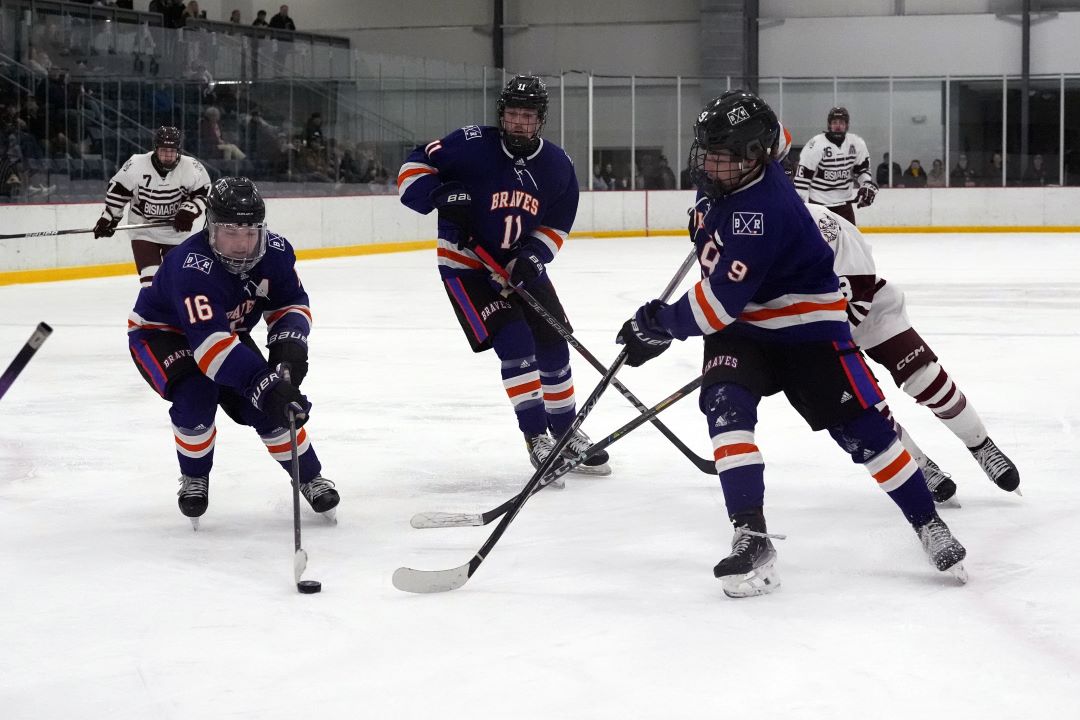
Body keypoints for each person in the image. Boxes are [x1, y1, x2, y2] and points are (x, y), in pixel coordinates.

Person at [616, 90, 967, 598]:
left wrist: (660, 321)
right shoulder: (740, 169)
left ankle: (927, 521)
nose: (709, 163)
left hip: (806, 328)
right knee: (725, 406)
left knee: (864, 432)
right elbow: (775, 136)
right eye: (707, 151)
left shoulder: (762, 209)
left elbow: (716, 307)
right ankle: (750, 535)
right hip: (744, 328)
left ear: (754, 158)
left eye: (723, 155)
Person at [397, 74, 610, 478]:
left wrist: (533, 256)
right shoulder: (471, 143)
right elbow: (413, 165)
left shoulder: (557, 165)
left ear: (540, 120)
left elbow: (558, 222)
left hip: (517, 268)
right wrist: (438, 194)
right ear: (502, 115)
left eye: (527, 116)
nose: (518, 123)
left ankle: (565, 430)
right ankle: (537, 438)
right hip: (467, 267)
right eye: (511, 114)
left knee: (554, 341)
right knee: (515, 341)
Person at [127, 177, 339, 528]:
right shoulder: (190, 266)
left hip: (225, 335)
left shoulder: (277, 252)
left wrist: (289, 347)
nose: (242, 244)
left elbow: (290, 303)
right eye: (230, 232)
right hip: (162, 335)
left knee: (270, 408)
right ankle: (195, 476)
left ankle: (310, 476)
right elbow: (210, 352)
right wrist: (267, 386)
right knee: (197, 394)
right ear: (210, 228)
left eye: (249, 233)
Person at [804, 203, 1020, 503]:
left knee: (923, 375)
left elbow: (860, 275)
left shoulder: (819, 219)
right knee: (869, 408)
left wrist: (840, 328)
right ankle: (921, 467)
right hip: (812, 338)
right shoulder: (744, 235)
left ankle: (980, 444)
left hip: (868, 309)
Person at [93, 126, 211, 287]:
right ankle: (152, 311)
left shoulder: (192, 167)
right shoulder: (136, 164)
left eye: (172, 151)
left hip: (175, 231)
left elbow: (204, 193)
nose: (168, 156)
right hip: (144, 230)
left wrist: (188, 211)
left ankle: (172, 311)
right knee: (150, 282)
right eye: (163, 150)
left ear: (179, 150)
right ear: (155, 149)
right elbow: (118, 191)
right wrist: (109, 217)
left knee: (177, 282)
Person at [793, 106, 877, 224]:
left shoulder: (857, 143)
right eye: (834, 122)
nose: (838, 126)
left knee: (851, 241)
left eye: (841, 122)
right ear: (829, 125)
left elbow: (862, 171)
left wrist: (866, 184)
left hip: (844, 204)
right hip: (819, 205)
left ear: (847, 125)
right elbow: (802, 178)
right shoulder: (816, 144)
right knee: (821, 242)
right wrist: (799, 204)